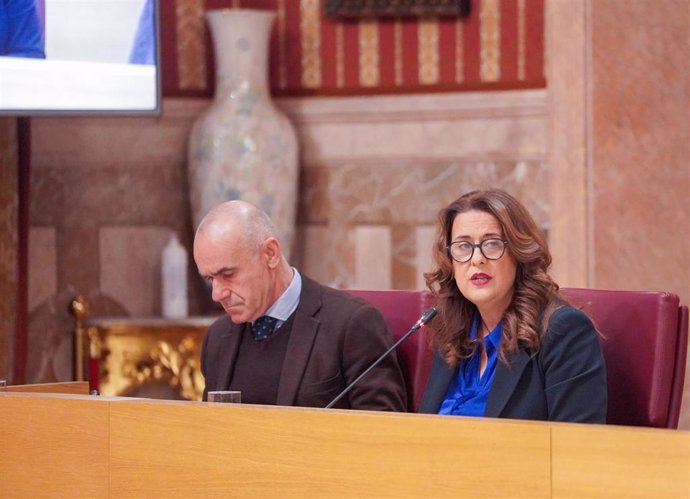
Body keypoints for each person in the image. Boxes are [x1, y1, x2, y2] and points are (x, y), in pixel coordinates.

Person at [194, 200, 407, 411]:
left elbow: (381, 434)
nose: (217, 294)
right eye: (210, 279)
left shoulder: (352, 325)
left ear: (270, 253)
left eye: (228, 274)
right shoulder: (217, 338)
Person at [419, 189, 607, 423]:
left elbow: (575, 446)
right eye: (463, 247)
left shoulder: (563, 332)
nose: (477, 259)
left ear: (519, 254)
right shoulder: (452, 335)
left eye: (492, 244)